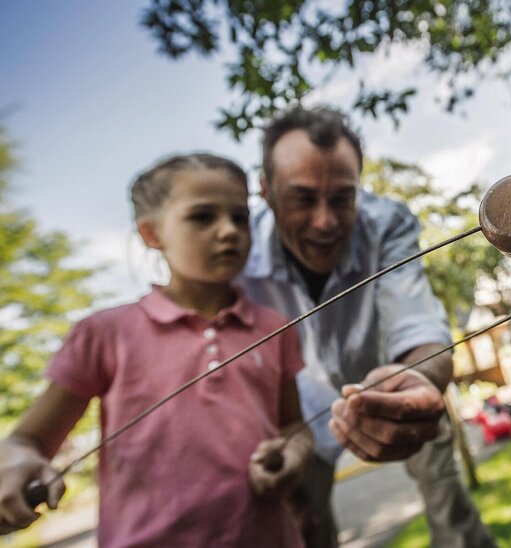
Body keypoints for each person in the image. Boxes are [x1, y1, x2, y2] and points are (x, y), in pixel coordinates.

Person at [0, 154, 312, 546]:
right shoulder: (105, 333)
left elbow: (294, 426)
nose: (229, 231)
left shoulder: (274, 327)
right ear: (151, 234)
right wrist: (16, 461)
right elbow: (27, 441)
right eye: (202, 217)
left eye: (240, 217)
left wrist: (294, 452)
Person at [240, 107, 497, 547]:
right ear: (267, 192)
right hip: (295, 419)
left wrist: (419, 382)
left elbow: (419, 328)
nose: (325, 221)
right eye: (303, 199)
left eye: (342, 198)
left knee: (452, 514)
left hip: (395, 386)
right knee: (305, 532)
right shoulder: (236, 249)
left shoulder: (387, 224)